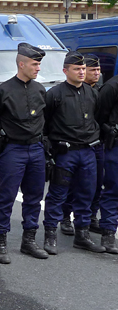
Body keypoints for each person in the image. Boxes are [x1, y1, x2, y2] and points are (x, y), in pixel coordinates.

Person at [0, 43, 50, 263]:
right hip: (13, 149)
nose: (38, 68)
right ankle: (0, 242)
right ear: (21, 64)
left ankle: (29, 240)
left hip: (36, 148)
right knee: (6, 197)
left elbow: (46, 120)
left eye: (39, 64)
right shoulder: (1, 91)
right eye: (35, 64)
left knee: (34, 197)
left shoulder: (40, 90)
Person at [42, 51, 105, 254]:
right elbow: (45, 123)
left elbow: (98, 117)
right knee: (57, 194)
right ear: (65, 70)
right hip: (65, 152)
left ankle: (82, 235)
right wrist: (51, 148)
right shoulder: (55, 94)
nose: (81, 72)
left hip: (88, 151)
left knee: (86, 194)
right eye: (77, 69)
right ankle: (50, 235)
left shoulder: (92, 92)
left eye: (83, 69)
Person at [61, 54, 104, 236]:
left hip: (96, 144)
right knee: (71, 184)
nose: (96, 73)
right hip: (75, 145)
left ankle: (90, 218)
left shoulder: (97, 91)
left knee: (94, 184)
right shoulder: (67, 92)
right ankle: (65, 218)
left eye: (97, 70)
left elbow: (101, 117)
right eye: (91, 69)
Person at [94, 60, 118, 253]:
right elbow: (98, 120)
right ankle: (108, 232)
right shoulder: (112, 87)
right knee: (114, 188)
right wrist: (110, 131)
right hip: (115, 146)